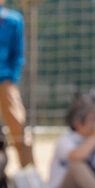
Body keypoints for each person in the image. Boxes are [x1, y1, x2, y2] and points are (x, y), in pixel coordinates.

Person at [1, 0, 33, 167]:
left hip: (5, 81)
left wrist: (11, 78)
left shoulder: (13, 20)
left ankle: (29, 172)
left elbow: (18, 54)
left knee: (18, 125)